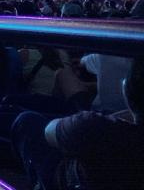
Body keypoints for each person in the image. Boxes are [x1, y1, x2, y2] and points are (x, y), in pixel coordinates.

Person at [12, 56, 144, 190]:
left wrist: (62, 56)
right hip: (89, 120)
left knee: (26, 120)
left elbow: (49, 132)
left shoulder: (96, 126)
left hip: (70, 168)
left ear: (125, 87)